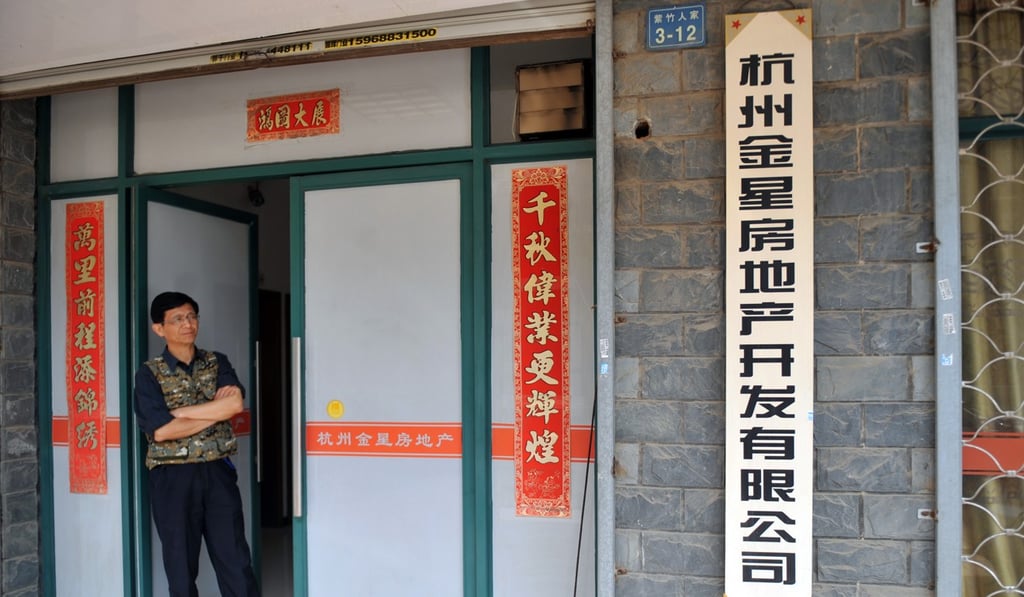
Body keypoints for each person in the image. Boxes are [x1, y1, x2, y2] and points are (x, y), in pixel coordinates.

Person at [134, 291, 260, 597]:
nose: (188, 324)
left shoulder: (218, 362)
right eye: (177, 319)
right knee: (180, 567)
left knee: (235, 561)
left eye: (192, 316)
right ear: (159, 328)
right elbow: (160, 431)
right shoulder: (149, 374)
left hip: (217, 473)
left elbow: (233, 406)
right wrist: (212, 414)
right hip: (172, 479)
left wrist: (181, 414)